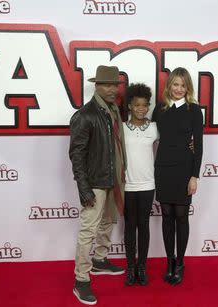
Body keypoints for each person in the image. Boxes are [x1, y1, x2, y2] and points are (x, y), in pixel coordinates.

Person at [69, 65, 127, 305]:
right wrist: (83, 188)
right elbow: (76, 154)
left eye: (115, 84)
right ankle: (81, 279)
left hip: (113, 179)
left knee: (108, 221)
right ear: (97, 86)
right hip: (94, 182)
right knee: (88, 230)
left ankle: (100, 260)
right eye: (107, 84)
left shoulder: (113, 110)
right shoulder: (85, 115)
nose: (113, 89)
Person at [152, 67, 203, 285]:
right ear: (169, 85)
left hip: (184, 170)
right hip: (163, 168)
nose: (178, 89)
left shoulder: (194, 110)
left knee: (181, 216)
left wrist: (194, 176)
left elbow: (198, 145)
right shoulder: (159, 109)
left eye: (183, 85)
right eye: (175, 84)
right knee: (166, 217)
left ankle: (180, 262)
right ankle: (170, 261)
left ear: (188, 87)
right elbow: (149, 138)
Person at [122, 83, 159, 286]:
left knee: (143, 226)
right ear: (129, 106)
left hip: (148, 184)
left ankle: (142, 267)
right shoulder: (121, 128)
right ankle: (130, 268)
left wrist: (190, 143)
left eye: (145, 105)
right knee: (129, 226)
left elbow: (171, 143)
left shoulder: (154, 128)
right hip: (127, 185)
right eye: (137, 105)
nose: (141, 109)